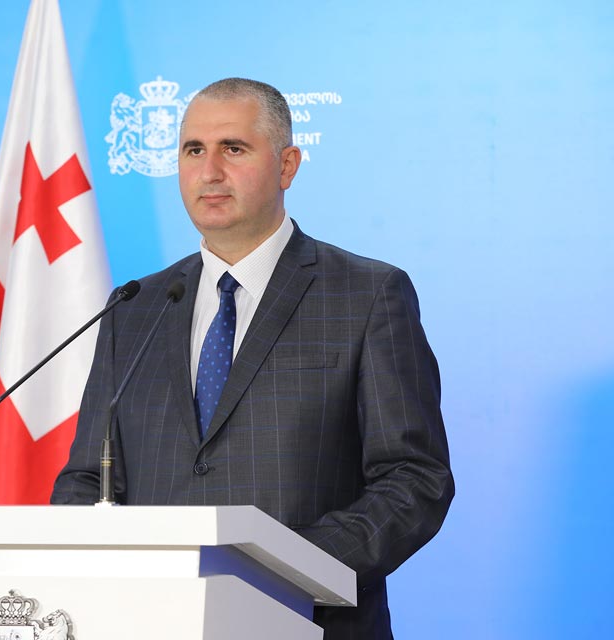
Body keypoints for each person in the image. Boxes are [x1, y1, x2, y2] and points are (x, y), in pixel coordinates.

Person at [51, 77, 454, 639]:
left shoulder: (366, 295)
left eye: (233, 148)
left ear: (287, 166)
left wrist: (287, 569)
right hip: (150, 621)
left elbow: (414, 478)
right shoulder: (136, 307)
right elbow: (87, 480)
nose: (210, 171)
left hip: (308, 621)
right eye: (194, 150)